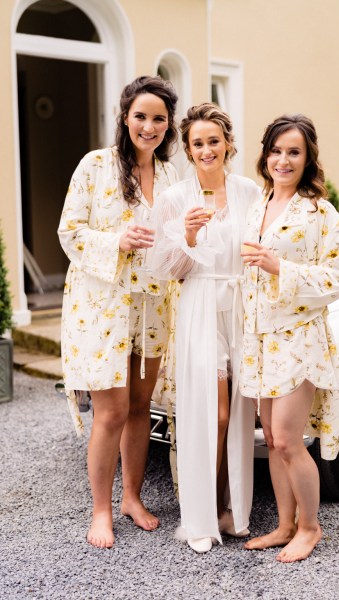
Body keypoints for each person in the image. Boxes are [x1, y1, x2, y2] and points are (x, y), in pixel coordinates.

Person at [58, 75, 179, 548]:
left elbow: (173, 246)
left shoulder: (171, 177)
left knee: (138, 408)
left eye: (159, 119)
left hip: (153, 306)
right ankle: (101, 511)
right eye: (141, 116)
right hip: (102, 305)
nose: (148, 127)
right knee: (108, 412)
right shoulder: (95, 166)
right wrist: (117, 241)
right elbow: (69, 232)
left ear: (168, 125)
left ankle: (132, 496)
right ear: (124, 117)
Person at [151, 103, 261, 553]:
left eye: (213, 140)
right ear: (188, 150)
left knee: (240, 412)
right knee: (210, 412)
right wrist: (190, 238)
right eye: (197, 143)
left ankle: (232, 507)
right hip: (199, 307)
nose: (206, 149)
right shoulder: (175, 199)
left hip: (240, 306)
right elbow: (164, 268)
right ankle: (201, 514)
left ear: (228, 143)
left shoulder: (251, 192)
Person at [240, 114, 339, 562]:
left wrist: (279, 266)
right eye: (276, 150)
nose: (283, 160)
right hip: (259, 338)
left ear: (308, 158)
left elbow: (337, 279)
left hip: (300, 338)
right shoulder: (257, 204)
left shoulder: (321, 212)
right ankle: (284, 525)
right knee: (272, 439)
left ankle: (310, 526)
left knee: (286, 439)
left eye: (294, 152)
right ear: (266, 154)